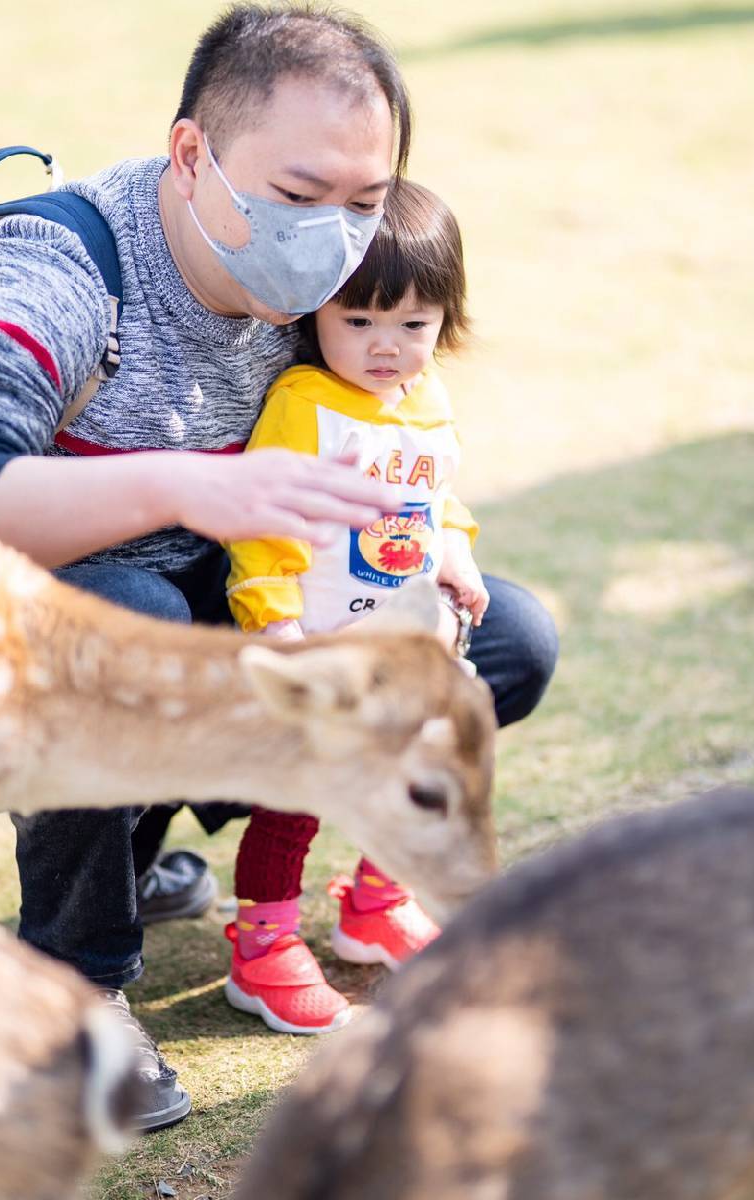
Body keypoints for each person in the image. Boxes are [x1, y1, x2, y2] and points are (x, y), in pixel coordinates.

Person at [0, 3, 558, 1132]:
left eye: (365, 201)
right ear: (194, 155)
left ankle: (129, 851)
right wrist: (185, 482)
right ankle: (69, 986)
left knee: (501, 644)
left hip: (232, 609)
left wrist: (429, 566)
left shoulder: (316, 287)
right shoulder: (59, 267)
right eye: (296, 197)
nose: (334, 236)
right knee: (125, 607)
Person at [219, 178, 482, 1034]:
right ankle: (261, 947)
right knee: (297, 794)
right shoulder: (305, 407)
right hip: (323, 643)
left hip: (404, 647)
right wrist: (281, 630)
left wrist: (458, 556)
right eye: (359, 321)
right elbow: (263, 531)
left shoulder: (429, 401)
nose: (387, 347)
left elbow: (441, 499)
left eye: (414, 326)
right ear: (314, 314)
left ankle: (375, 903)